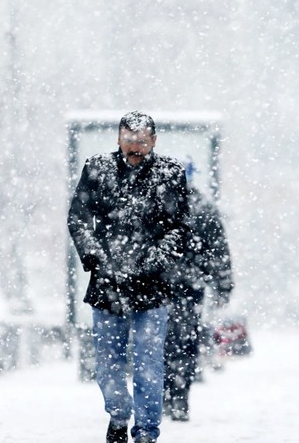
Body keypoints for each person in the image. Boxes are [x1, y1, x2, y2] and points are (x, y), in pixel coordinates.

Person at [68, 111, 189, 443]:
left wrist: (157, 256)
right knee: (108, 365)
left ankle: (148, 431)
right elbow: (78, 218)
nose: (135, 147)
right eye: (129, 139)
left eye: (142, 140)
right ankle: (119, 415)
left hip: (153, 285)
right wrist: (93, 254)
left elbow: (180, 226)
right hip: (108, 284)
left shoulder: (170, 173)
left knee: (149, 364)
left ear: (154, 140)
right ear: (118, 138)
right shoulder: (97, 168)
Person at [163, 160, 234, 422]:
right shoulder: (203, 207)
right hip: (189, 288)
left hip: (159, 287)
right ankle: (179, 394)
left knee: (159, 342)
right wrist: (222, 285)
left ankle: (163, 394)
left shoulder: (158, 204)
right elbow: (219, 251)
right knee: (185, 341)